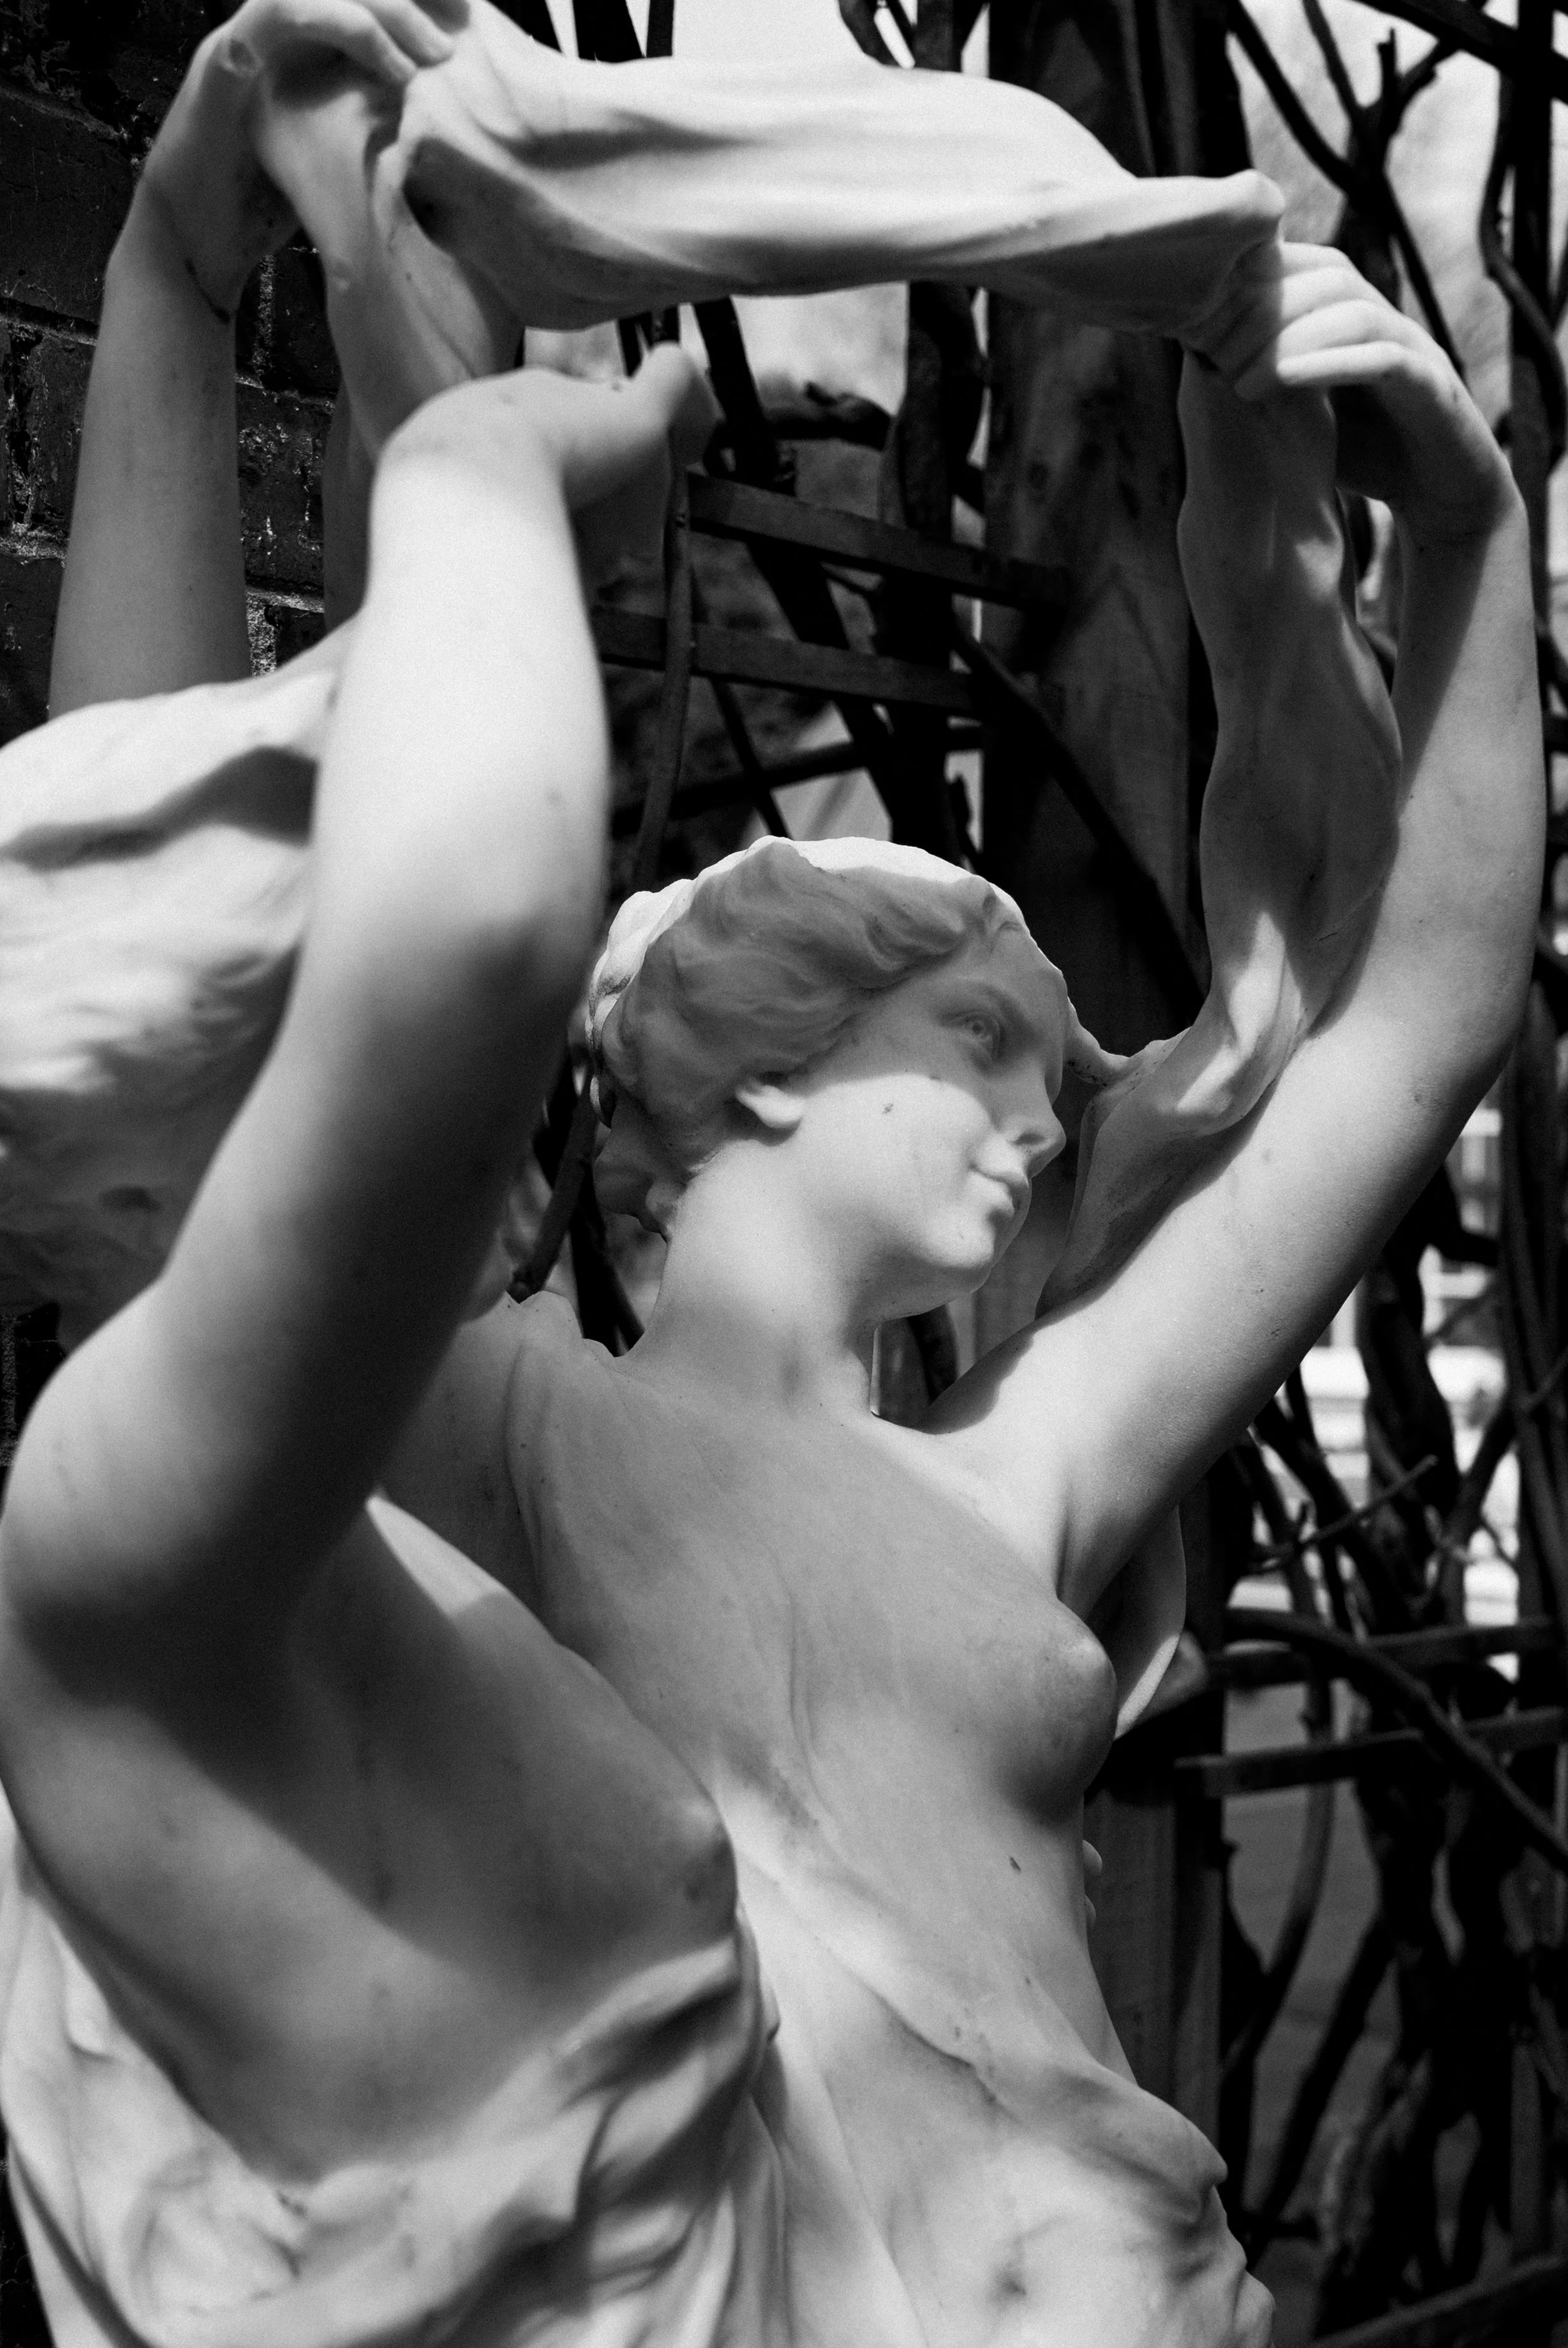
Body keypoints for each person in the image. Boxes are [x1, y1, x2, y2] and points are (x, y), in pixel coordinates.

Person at [0, 11, 1540, 2348]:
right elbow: (241, 1018)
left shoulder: (1020, 1461)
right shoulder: (515, 1420)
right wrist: (181, 286)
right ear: (772, 1067)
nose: (1048, 1114)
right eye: (979, 1047)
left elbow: (1415, 1024)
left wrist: (1469, 530)